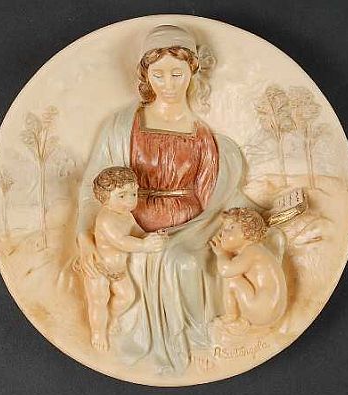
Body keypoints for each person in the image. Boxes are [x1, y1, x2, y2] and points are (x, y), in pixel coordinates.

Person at [76, 24, 258, 373]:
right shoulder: (121, 127)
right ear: (145, 75)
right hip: (133, 224)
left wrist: (260, 214)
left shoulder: (203, 136)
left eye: (177, 74)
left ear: (192, 72)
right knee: (164, 259)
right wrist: (84, 237)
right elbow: (91, 188)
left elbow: (220, 193)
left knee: (184, 261)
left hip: (192, 224)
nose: (168, 84)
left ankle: (195, 339)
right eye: (158, 75)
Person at [81, 166, 165, 351]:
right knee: (98, 302)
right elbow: (121, 241)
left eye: (133, 194)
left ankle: (113, 317)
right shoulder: (106, 219)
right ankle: (98, 332)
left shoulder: (126, 215)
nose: (130, 200)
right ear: (105, 198)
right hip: (99, 270)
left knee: (127, 297)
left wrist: (149, 237)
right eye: (122, 196)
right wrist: (144, 246)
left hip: (119, 271)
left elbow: (135, 231)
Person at [210, 208, 287, 326]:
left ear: (247, 232)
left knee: (232, 279)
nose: (224, 232)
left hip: (261, 312)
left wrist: (221, 254)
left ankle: (231, 316)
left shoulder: (252, 251)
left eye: (231, 227)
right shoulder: (258, 250)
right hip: (272, 311)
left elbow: (226, 270)